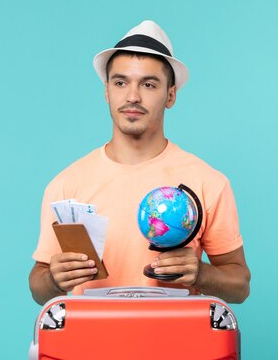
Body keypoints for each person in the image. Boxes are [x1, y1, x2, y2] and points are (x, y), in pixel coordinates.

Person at [29, 20, 251, 305]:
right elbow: (38, 286)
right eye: (120, 82)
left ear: (170, 95)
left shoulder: (208, 182)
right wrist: (52, 279)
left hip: (176, 345)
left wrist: (201, 274)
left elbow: (240, 286)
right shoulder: (66, 185)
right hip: (91, 344)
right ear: (107, 91)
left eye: (148, 84)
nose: (132, 96)